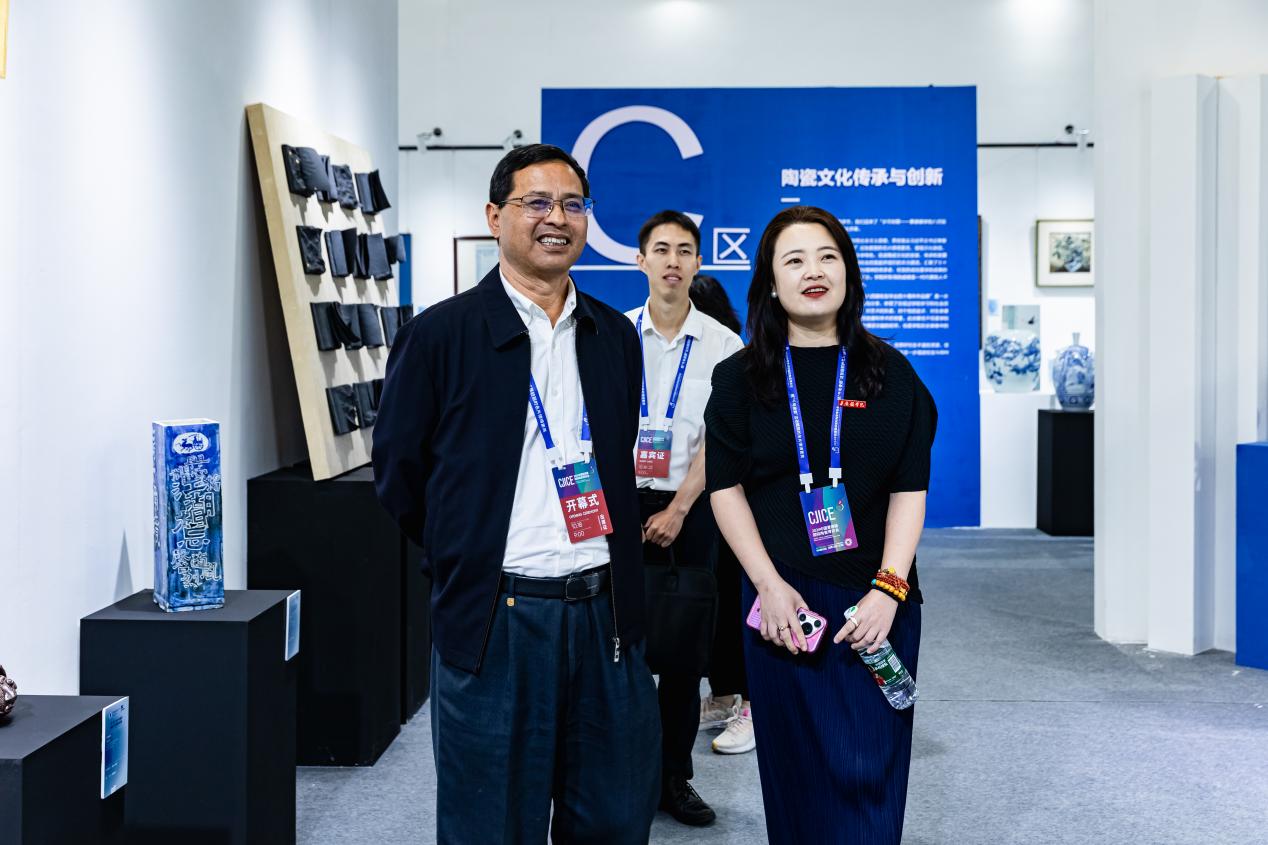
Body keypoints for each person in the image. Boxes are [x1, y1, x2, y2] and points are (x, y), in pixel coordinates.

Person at [373, 144, 660, 844]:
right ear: (495, 216)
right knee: (491, 823)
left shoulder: (614, 336)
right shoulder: (439, 335)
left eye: (573, 204)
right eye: (537, 202)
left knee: (614, 817)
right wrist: (464, 551)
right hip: (496, 618)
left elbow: (618, 455)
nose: (556, 218)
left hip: (605, 616)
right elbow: (400, 476)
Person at [704, 205, 936, 844]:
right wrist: (768, 585)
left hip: (875, 602)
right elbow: (725, 490)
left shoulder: (892, 374)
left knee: (869, 767)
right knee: (796, 772)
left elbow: (909, 491)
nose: (814, 271)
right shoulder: (739, 378)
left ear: (849, 273)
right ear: (771, 283)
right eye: (795, 260)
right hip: (783, 602)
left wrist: (889, 590)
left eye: (828, 256)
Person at [626, 213, 743, 826]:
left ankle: (674, 778)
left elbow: (720, 439)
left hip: (692, 510)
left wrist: (677, 508)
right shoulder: (613, 335)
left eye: (685, 250)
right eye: (661, 249)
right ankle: (621, 777)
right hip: (620, 507)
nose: (673, 260)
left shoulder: (724, 345)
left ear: (698, 263)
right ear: (640, 260)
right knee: (616, 648)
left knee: (680, 656)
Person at [688, 275, 755, 755]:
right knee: (710, 606)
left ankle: (750, 703)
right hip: (696, 497)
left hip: (736, 499)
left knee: (737, 602)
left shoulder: (734, 356)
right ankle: (725, 693)